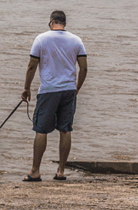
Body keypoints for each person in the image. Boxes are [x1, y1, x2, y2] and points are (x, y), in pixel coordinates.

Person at [21, 10, 88, 182]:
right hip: (68, 91)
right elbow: (84, 68)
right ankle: (61, 171)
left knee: (41, 130)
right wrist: (76, 88)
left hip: (49, 90)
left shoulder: (41, 39)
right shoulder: (76, 40)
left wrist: (26, 88)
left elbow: (31, 66)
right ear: (64, 23)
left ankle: (35, 171)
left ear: (51, 22)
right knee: (65, 129)